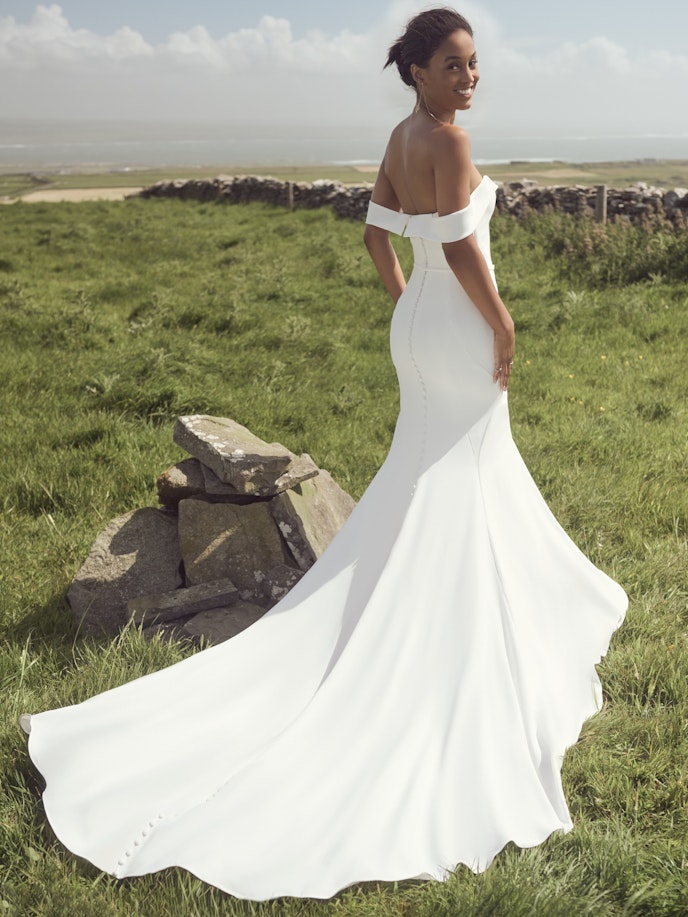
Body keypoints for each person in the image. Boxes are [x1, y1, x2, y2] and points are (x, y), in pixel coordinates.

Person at [20, 7, 627, 901]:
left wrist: (404, 309)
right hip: (456, 326)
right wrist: (498, 321)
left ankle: (458, 600)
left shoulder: (399, 135)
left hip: (418, 330)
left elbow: (378, 235)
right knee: (452, 476)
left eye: (474, 65)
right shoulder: (449, 146)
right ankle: (451, 629)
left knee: (441, 476)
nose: (470, 79)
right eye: (454, 66)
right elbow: (459, 247)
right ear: (417, 69)